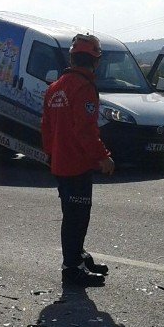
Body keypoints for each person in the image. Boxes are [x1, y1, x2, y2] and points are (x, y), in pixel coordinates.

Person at [41, 33, 115, 285]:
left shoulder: (55, 87)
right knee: (77, 216)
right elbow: (86, 130)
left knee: (73, 213)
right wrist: (103, 156)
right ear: (95, 61)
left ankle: (78, 255)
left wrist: (53, 155)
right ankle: (71, 267)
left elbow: (46, 128)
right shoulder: (84, 87)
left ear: (73, 57)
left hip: (61, 163)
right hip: (76, 163)